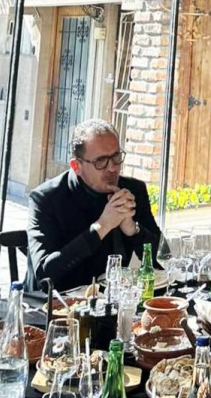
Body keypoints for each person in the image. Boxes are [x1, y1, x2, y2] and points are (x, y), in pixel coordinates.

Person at [26, 119, 161, 291]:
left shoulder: (133, 190)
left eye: (116, 157)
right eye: (101, 161)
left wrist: (133, 230)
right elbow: (45, 276)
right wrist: (101, 227)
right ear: (77, 166)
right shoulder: (46, 199)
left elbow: (162, 258)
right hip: (57, 301)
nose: (112, 168)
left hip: (113, 298)